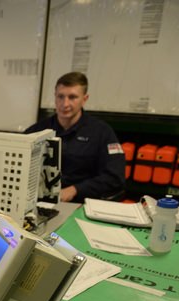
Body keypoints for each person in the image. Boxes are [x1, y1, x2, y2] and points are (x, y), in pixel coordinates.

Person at [25, 71, 125, 203]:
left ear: (84, 99)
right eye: (60, 96)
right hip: (41, 201)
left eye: (72, 97)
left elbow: (114, 178)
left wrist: (75, 190)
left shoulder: (102, 132)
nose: (65, 104)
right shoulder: (37, 131)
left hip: (82, 203)